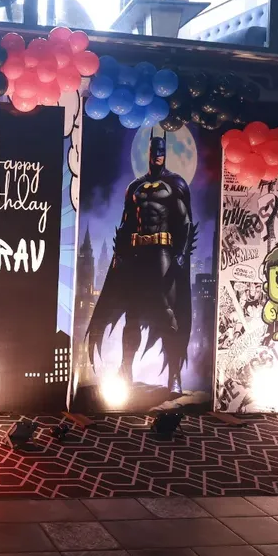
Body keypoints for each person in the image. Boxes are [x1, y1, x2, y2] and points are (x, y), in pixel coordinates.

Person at [85, 131, 194, 394]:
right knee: (132, 313)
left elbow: (185, 222)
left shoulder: (175, 184)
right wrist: (120, 254)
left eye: (162, 151)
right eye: (154, 151)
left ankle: (174, 376)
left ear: (166, 154)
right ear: (147, 153)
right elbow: (126, 223)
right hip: (137, 254)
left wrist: (181, 253)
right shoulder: (135, 187)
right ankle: (126, 369)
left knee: (167, 312)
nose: (158, 156)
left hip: (162, 253)